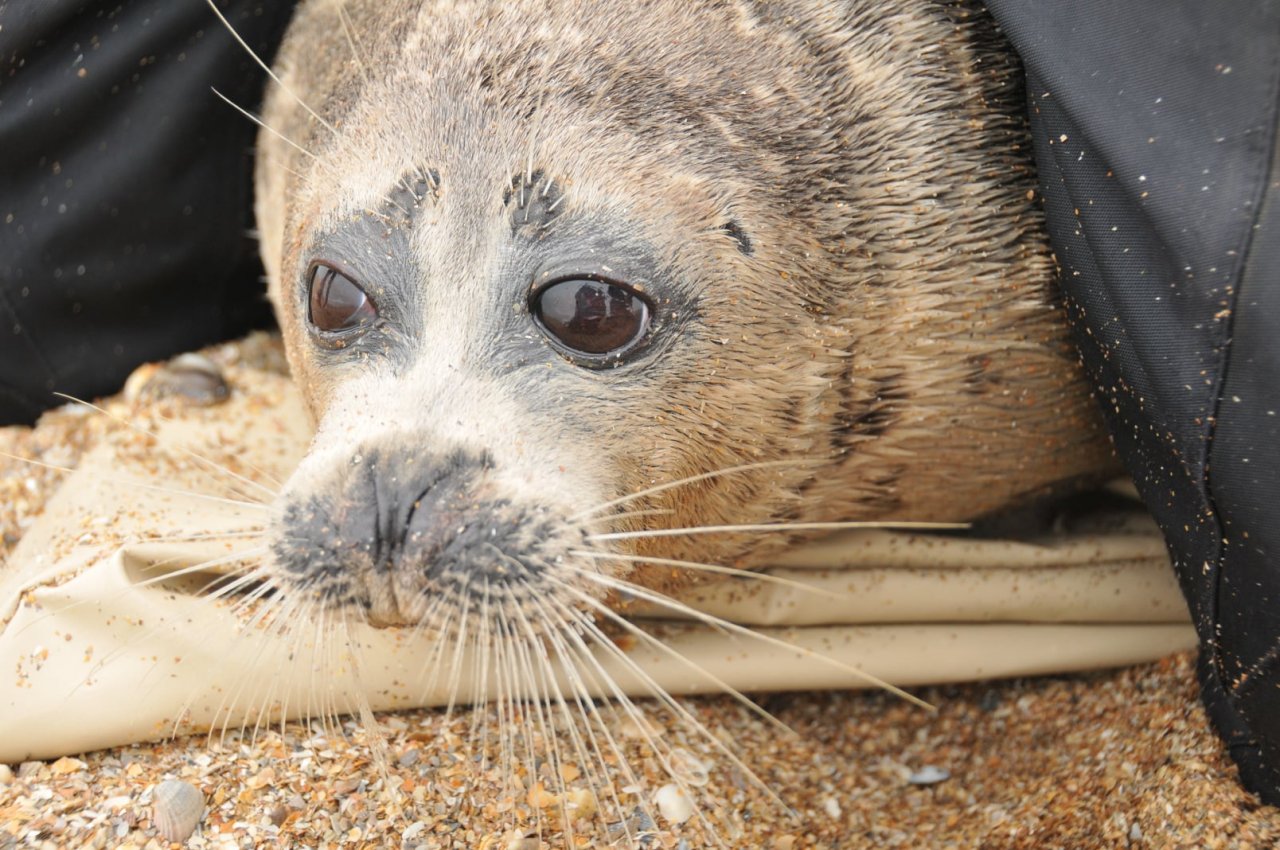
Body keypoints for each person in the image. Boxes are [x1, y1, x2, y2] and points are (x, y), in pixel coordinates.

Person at [2, 0, 1277, 805]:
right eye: (342, 302)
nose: (390, 488)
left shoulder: (954, 279)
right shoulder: (305, 109)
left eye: (586, 314)